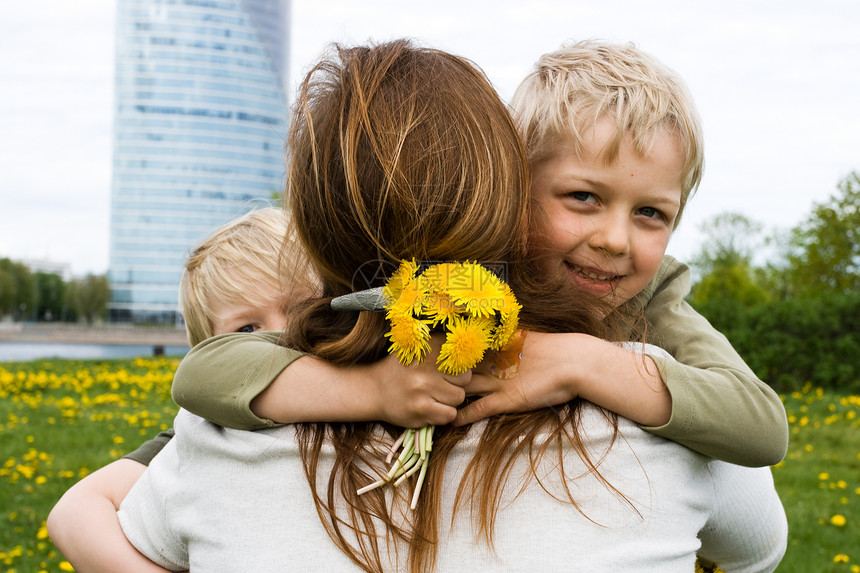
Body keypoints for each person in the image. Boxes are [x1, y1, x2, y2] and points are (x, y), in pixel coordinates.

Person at [117, 39, 786, 571]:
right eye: (582, 196)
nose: (614, 240)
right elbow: (206, 373)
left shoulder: (653, 309)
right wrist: (376, 389)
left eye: (651, 213)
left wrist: (582, 362)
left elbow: (762, 425)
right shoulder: (422, 307)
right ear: (512, 186)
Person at [47, 207, 310, 572]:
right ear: (207, 358)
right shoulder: (205, 431)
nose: (282, 336)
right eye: (247, 329)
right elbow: (73, 513)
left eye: (305, 309)